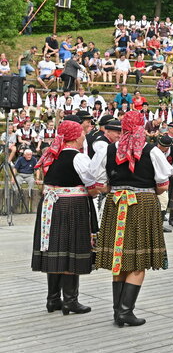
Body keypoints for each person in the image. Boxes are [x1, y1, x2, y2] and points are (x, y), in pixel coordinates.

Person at [93, 111, 173, 327]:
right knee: (139, 261)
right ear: (142, 127)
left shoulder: (109, 150)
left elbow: (101, 182)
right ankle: (125, 311)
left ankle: (118, 311)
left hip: (116, 202)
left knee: (119, 258)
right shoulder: (152, 151)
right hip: (143, 203)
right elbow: (163, 185)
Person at [31, 121, 100, 315]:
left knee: (55, 248)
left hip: (50, 205)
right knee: (71, 248)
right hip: (71, 205)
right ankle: (70, 301)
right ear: (76, 136)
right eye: (82, 133)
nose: (84, 137)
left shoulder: (51, 154)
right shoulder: (79, 158)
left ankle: (53, 299)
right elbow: (93, 187)